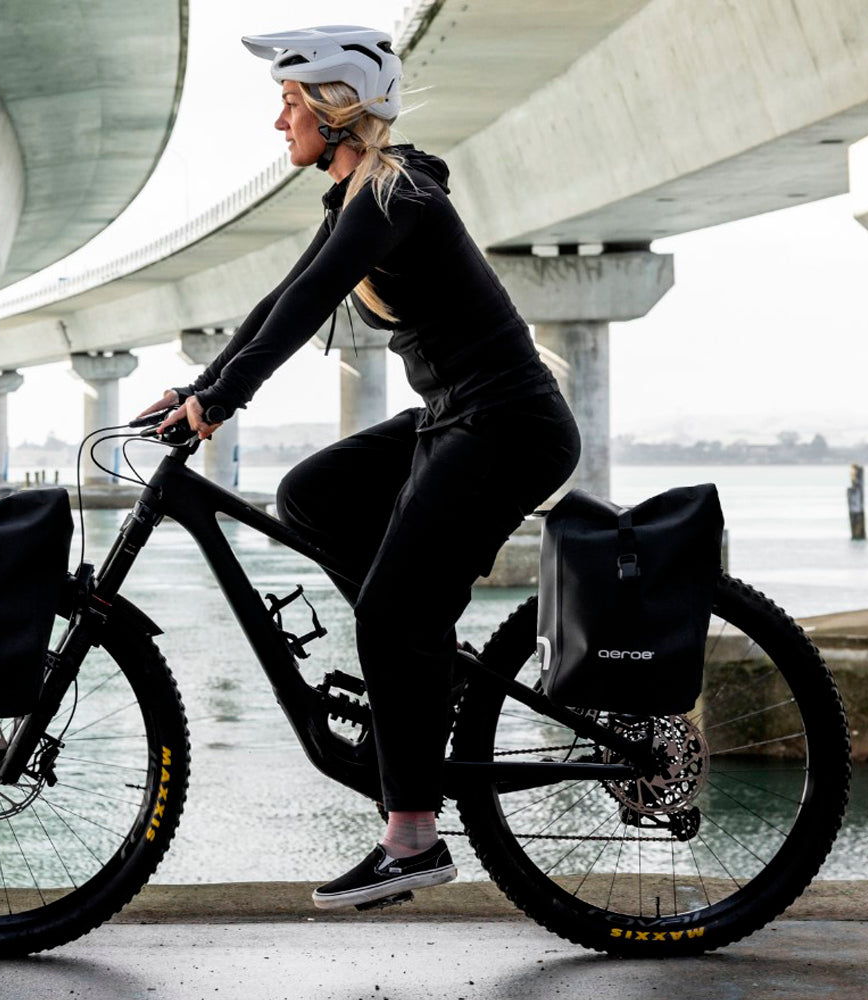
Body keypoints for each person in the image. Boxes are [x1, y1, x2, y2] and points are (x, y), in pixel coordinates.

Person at [139, 25, 581, 909]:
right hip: (454, 417)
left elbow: (305, 306)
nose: (278, 123)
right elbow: (279, 296)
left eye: (291, 104)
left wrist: (223, 402)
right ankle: (425, 665)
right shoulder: (357, 197)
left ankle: (412, 839)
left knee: (388, 610)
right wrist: (199, 386)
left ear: (337, 109)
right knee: (309, 497)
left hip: (508, 425)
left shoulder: (396, 191)